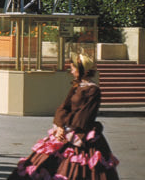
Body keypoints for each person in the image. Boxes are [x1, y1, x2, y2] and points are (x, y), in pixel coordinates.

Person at [7, 52, 119, 180]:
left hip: (80, 133)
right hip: (65, 128)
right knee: (44, 161)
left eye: (73, 68)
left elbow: (84, 116)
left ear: (82, 70)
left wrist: (66, 128)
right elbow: (63, 107)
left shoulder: (93, 90)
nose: (71, 71)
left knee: (76, 165)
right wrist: (59, 126)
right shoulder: (77, 85)